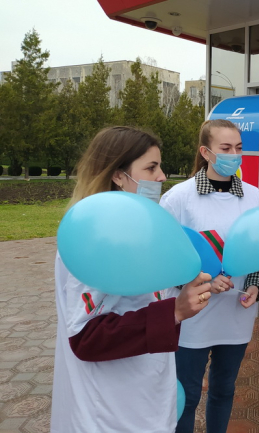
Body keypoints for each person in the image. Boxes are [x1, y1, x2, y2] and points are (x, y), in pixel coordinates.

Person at [51, 126, 213, 432]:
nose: (162, 176)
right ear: (118, 175)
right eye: (151, 168)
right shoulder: (93, 238)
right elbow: (85, 337)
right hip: (109, 407)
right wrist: (175, 311)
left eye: (160, 166)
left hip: (148, 389)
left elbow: (151, 298)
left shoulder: (143, 229)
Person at [159, 119, 259, 433]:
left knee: (224, 389)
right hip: (192, 317)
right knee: (187, 394)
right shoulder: (179, 198)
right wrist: (202, 281)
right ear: (206, 152)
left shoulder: (253, 198)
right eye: (226, 148)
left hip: (236, 314)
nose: (234, 155)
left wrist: (256, 285)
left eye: (238, 148)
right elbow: (166, 257)